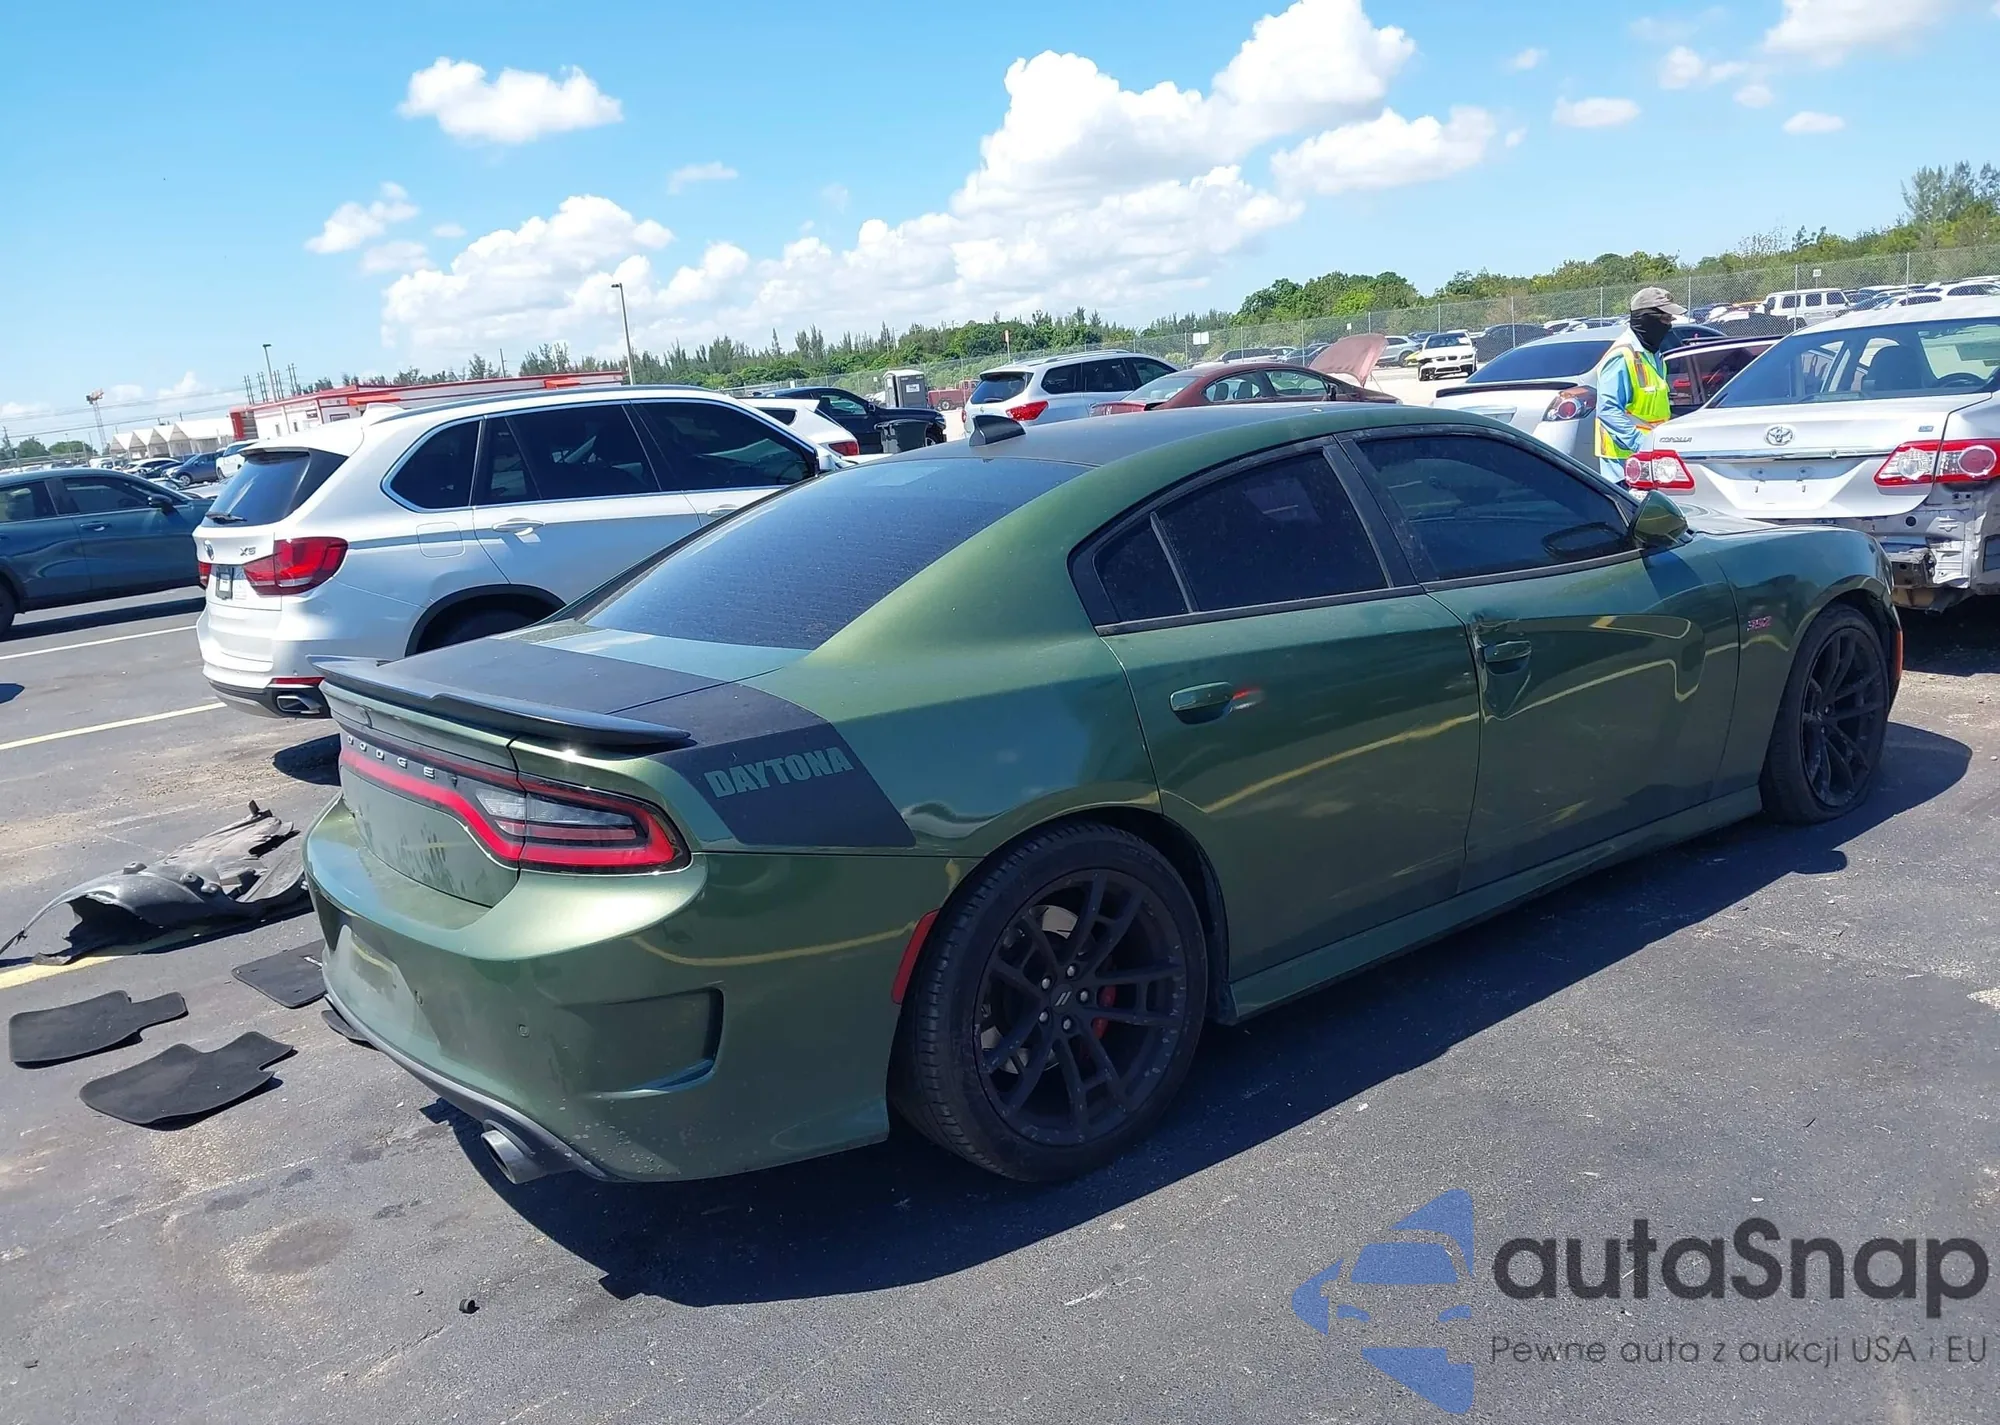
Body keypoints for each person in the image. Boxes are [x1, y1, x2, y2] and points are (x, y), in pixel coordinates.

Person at [1595, 287, 1683, 484]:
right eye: (1665, 319)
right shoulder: (1622, 356)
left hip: (1649, 456)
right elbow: (1608, 410)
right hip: (1624, 463)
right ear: (1647, 319)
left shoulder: (1652, 353)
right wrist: (1641, 444)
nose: (1669, 326)